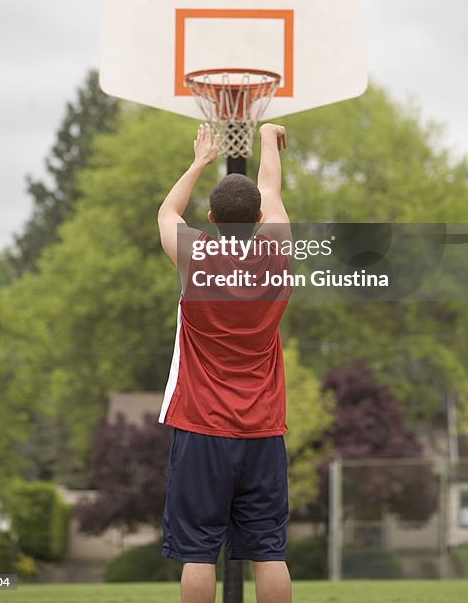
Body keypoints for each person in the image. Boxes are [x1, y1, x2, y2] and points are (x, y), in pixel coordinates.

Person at [157, 121, 292, 603]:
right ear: (259, 218)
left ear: (210, 218)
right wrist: (267, 139)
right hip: (263, 430)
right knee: (269, 552)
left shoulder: (196, 255)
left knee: (198, 552)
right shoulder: (277, 250)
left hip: (202, 428)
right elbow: (271, 189)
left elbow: (168, 211)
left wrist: (199, 162)